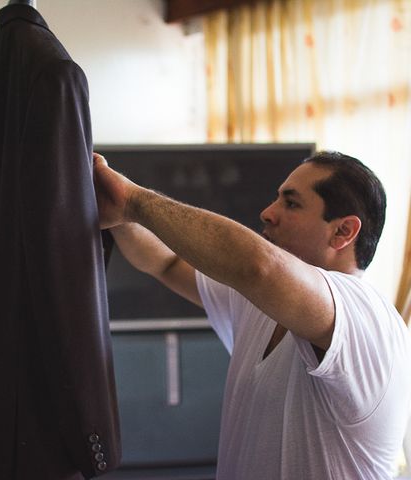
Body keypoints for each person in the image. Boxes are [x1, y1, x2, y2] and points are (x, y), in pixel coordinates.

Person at [92, 150, 411, 479]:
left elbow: (260, 267)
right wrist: (119, 216)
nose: (268, 213)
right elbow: (167, 262)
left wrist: (132, 200)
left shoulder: (365, 313)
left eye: (291, 203)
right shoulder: (261, 301)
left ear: (343, 231)